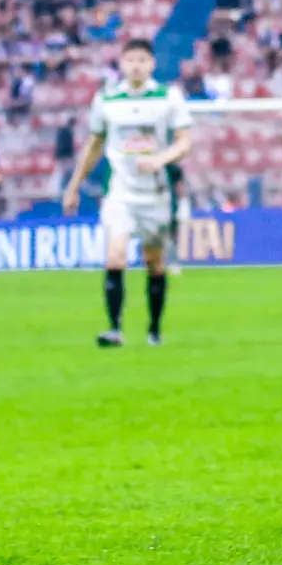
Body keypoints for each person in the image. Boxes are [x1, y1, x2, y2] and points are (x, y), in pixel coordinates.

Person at [61, 39, 191, 347]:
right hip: (120, 192)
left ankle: (154, 330)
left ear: (151, 64)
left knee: (154, 263)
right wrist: (73, 186)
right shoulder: (107, 99)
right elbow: (93, 146)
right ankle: (114, 329)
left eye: (141, 60)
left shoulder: (168, 97)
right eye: (130, 60)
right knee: (115, 256)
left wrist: (160, 159)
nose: (135, 65)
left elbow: (185, 141)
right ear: (121, 63)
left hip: (155, 194)